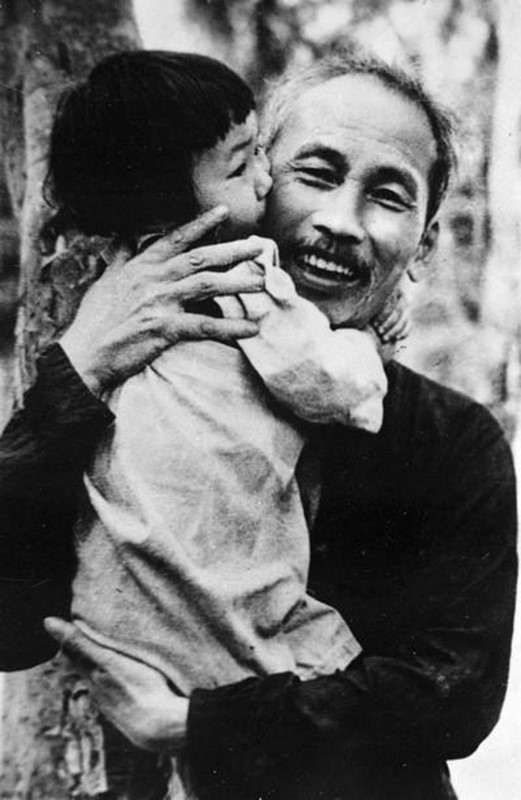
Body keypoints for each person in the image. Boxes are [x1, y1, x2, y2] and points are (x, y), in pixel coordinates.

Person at [0, 52, 517, 800]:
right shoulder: (122, 368)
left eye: (387, 195)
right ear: (252, 181)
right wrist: (76, 374)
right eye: (315, 172)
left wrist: (196, 722)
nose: (340, 222)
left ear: (424, 241)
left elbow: (452, 696)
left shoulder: (448, 438)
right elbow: (11, 627)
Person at [51, 50, 391, 738]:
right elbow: (330, 385)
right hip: (219, 593)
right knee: (308, 650)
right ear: (182, 209)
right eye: (241, 168)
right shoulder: (241, 271)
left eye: (261, 151)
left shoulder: (113, 286)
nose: (265, 177)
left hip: (116, 615)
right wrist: (367, 344)